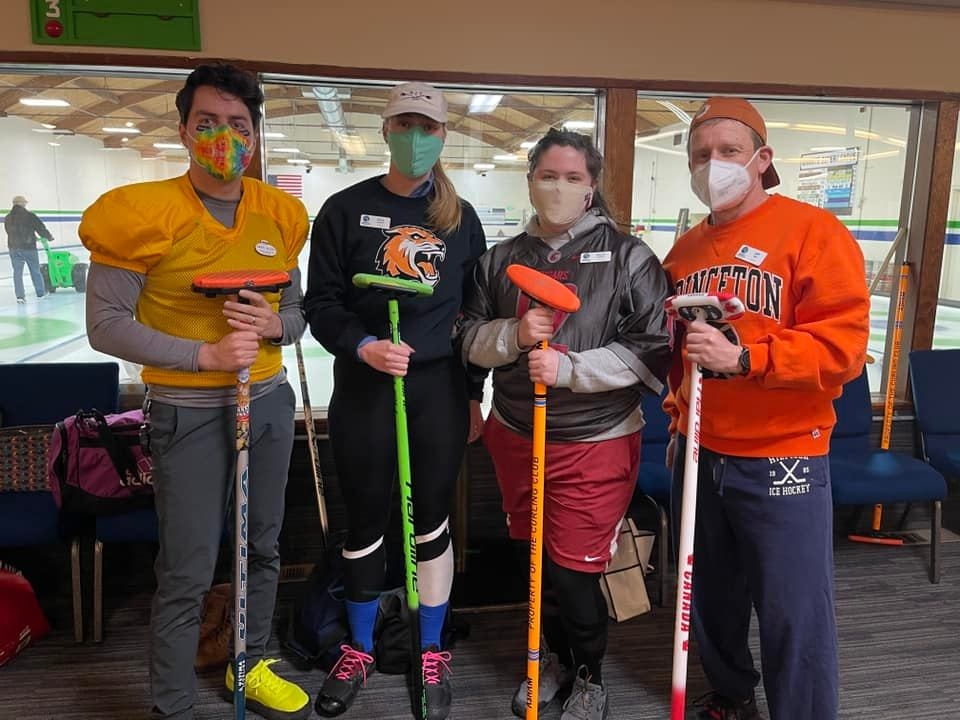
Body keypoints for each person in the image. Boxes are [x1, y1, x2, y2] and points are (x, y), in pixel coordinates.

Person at [79, 63, 311, 720]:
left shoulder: (280, 214)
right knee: (188, 565)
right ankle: (173, 704)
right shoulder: (141, 214)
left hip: (267, 403)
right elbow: (105, 325)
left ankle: (250, 663)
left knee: (263, 546)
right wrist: (203, 354)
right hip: (187, 412)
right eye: (208, 123)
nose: (224, 138)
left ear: (254, 137)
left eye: (238, 125)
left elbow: (296, 315)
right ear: (183, 130)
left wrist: (274, 326)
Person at [662, 97, 871, 720]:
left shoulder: (813, 232)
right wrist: (677, 418)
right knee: (709, 599)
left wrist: (747, 357)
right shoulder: (685, 251)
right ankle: (731, 696)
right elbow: (679, 356)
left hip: (783, 456)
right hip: (701, 452)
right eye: (701, 154)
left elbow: (843, 349)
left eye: (728, 151)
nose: (713, 164)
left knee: (793, 609)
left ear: (762, 158)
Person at [457, 128, 672, 720]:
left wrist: (569, 368)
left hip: (596, 441)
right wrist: (513, 336)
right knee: (535, 566)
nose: (559, 187)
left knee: (574, 574)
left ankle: (589, 676)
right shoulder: (499, 259)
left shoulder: (630, 257)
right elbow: (466, 338)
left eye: (573, 177)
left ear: (591, 186)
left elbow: (653, 346)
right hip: (515, 433)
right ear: (530, 181)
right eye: (548, 176)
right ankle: (548, 660)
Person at [303, 82, 487, 720]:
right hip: (365, 389)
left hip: (436, 390)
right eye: (405, 124)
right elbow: (321, 303)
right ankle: (356, 647)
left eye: (428, 127)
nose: (416, 137)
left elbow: (474, 314)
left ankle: (430, 648)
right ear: (385, 131)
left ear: (443, 135)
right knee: (364, 521)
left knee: (431, 519)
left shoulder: (460, 218)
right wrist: (363, 346)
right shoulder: (344, 209)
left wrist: (473, 395)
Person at [4, 195, 52, 303]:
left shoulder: (8, 217)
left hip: (14, 248)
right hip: (29, 248)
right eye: (25, 202)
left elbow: (9, 231)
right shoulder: (30, 215)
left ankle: (20, 296)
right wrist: (49, 237)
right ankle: (40, 293)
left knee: (17, 272)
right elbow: (40, 228)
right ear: (22, 203)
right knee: (35, 270)